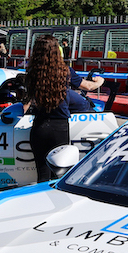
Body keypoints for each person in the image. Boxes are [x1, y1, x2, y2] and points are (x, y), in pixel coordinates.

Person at [24, 35, 84, 182]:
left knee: (42, 174)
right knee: (59, 174)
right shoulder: (65, 71)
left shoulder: (32, 72)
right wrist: (99, 81)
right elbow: (87, 86)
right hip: (59, 127)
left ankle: (41, 202)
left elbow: (26, 101)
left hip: (39, 126)